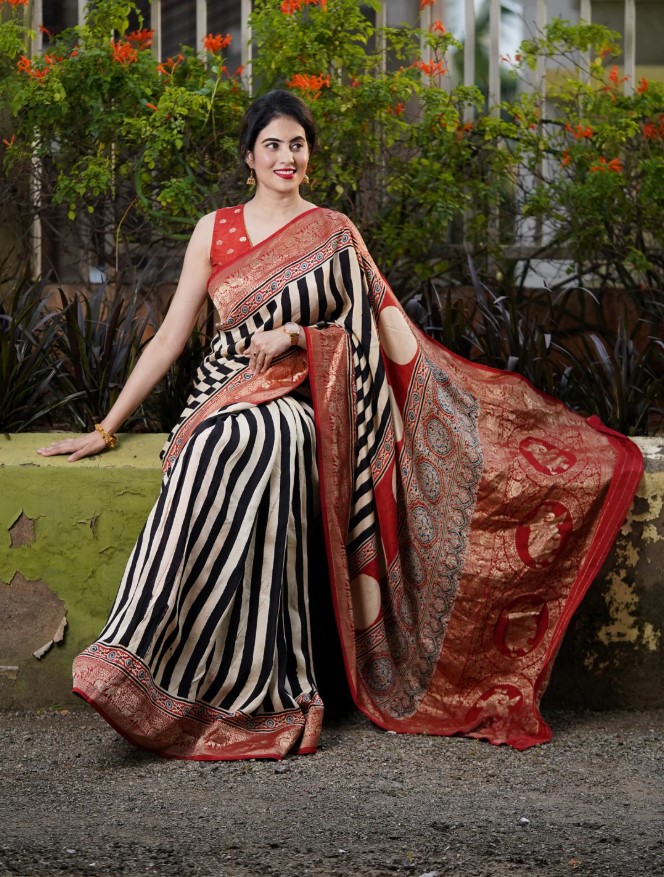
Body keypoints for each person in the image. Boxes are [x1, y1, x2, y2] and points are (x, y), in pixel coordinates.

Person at [38, 90, 643, 759]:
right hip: (222, 393)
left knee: (274, 436)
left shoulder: (333, 232)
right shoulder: (215, 230)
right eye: (272, 144)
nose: (286, 156)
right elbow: (170, 337)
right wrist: (106, 427)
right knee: (229, 439)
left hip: (304, 399)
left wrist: (297, 335)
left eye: (297, 144)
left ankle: (262, 687)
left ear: (310, 155)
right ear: (248, 157)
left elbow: (372, 337)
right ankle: (140, 655)